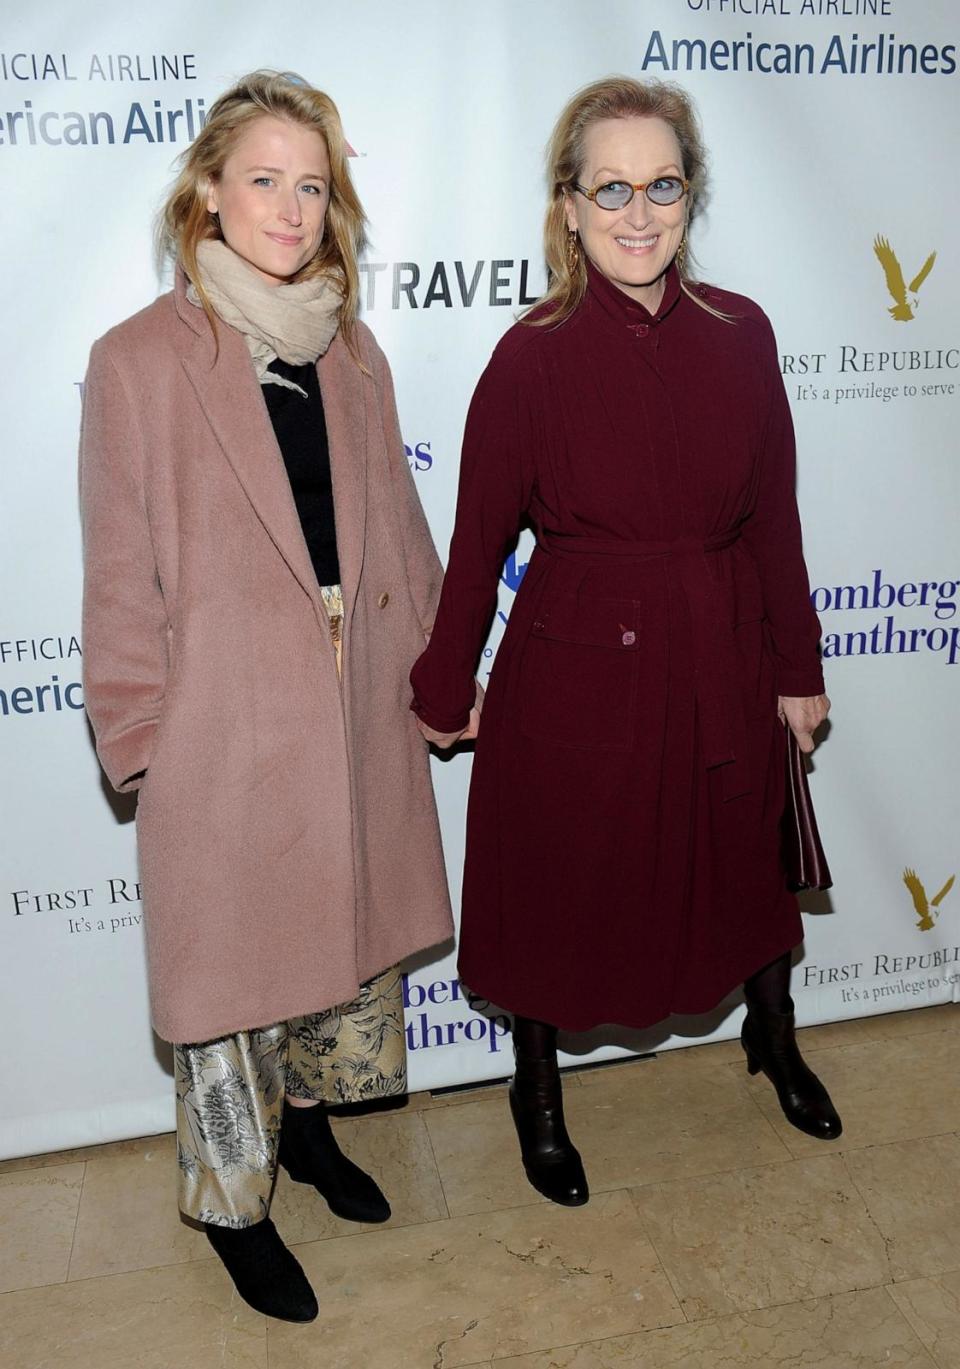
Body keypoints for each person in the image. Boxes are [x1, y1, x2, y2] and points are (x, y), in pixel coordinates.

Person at [410, 76, 840, 1209]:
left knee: (741, 861)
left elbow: (774, 522)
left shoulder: (743, 334)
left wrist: (797, 668)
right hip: (574, 671)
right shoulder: (529, 355)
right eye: (611, 187)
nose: (638, 213)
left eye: (662, 184)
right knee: (559, 875)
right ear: (567, 203)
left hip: (720, 651)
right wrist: (444, 681)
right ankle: (536, 1091)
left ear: (690, 195)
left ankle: (775, 1036)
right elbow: (477, 540)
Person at [80, 70, 453, 1321]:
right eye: (263, 180)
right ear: (207, 193)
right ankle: (233, 1206)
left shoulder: (352, 347)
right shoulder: (137, 361)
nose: (291, 210)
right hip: (223, 718)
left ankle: (306, 1135)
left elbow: (397, 528)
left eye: (312, 185)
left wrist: (442, 668)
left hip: (351, 703)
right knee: (233, 978)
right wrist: (142, 737)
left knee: (332, 948)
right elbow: (119, 567)